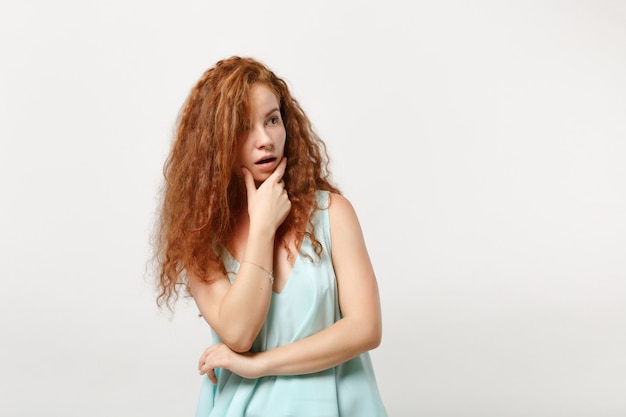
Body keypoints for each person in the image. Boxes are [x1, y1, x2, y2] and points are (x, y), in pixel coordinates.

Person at [154, 56, 387, 417]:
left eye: (272, 120)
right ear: (216, 144)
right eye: (244, 127)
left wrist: (260, 364)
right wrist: (263, 227)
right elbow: (239, 333)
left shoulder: (333, 213)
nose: (265, 140)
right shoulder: (200, 239)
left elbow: (366, 328)